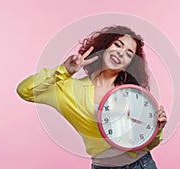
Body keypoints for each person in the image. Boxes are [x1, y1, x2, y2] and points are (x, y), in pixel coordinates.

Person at [17, 25, 167, 169]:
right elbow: (25, 90)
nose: (121, 53)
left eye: (129, 54)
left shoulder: (132, 94)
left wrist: (157, 128)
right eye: (118, 45)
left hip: (142, 164)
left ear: (129, 64)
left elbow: (147, 142)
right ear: (105, 46)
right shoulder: (69, 88)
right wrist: (64, 70)